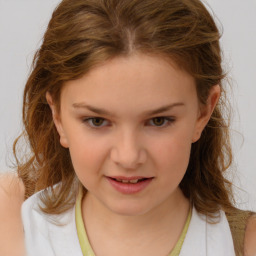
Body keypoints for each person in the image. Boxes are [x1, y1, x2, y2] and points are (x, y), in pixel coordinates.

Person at [9, 0, 256, 255]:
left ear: (203, 112)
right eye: (97, 121)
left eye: (159, 121)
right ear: (57, 116)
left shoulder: (246, 244)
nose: (128, 157)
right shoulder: (15, 231)